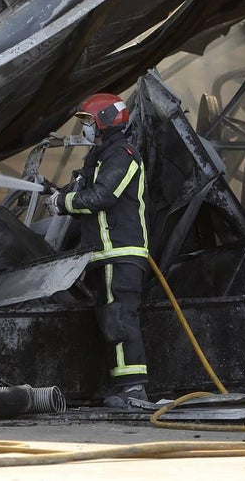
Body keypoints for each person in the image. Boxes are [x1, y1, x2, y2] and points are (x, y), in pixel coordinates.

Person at [45, 92, 151, 408]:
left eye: (88, 122)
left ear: (105, 120)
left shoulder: (123, 155)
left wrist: (62, 203)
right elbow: (84, 191)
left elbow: (103, 196)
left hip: (120, 253)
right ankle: (118, 387)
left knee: (120, 320)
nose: (85, 130)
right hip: (103, 255)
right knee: (110, 321)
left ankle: (133, 392)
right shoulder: (103, 157)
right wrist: (56, 195)